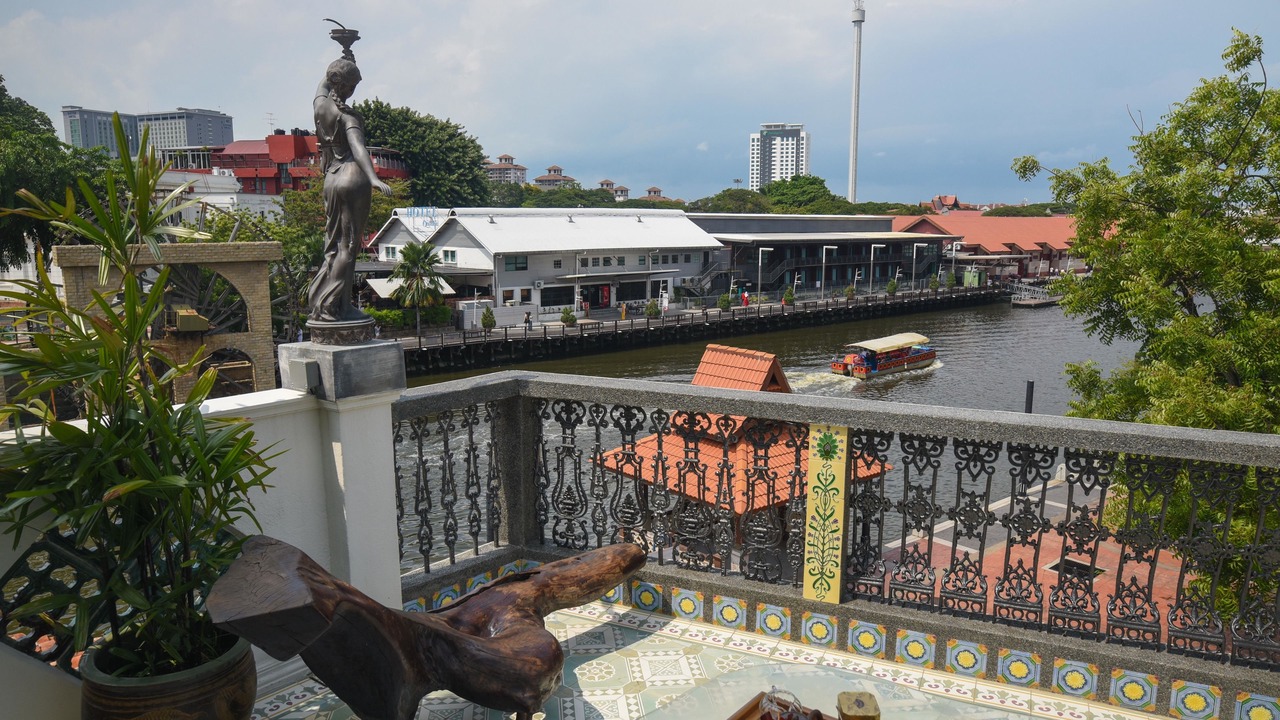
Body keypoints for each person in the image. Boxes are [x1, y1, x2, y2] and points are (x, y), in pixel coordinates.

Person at [306, 54, 392, 323]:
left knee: (332, 246)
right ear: (347, 87)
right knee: (349, 247)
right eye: (353, 85)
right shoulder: (346, 116)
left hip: (330, 179)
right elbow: (358, 148)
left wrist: (344, 55)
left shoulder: (320, 106)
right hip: (352, 176)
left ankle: (324, 303)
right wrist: (374, 178)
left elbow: (323, 84)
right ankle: (335, 306)